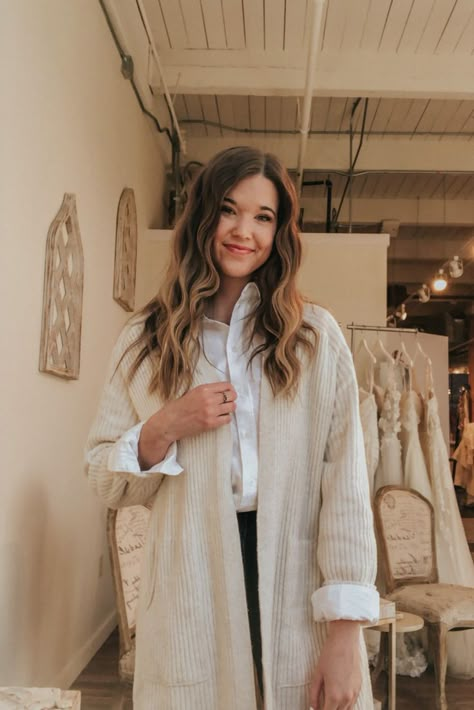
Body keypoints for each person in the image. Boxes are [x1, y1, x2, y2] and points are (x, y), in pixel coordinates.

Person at [85, 146, 379, 710]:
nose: (244, 230)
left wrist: (345, 632)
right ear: (202, 218)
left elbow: (345, 488)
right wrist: (167, 423)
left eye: (263, 216)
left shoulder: (314, 339)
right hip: (191, 577)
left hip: (297, 577)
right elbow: (106, 478)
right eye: (228, 209)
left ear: (280, 231)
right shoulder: (144, 340)